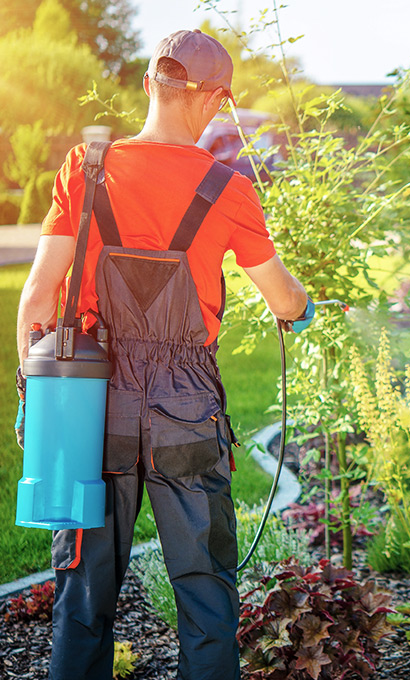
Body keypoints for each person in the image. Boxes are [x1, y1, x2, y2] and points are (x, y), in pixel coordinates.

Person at [15, 29, 311, 680]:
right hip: (187, 409)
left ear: (149, 85)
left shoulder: (85, 169)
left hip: (94, 408)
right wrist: (303, 307)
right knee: (206, 597)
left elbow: (37, 299)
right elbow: (283, 299)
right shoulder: (228, 187)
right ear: (215, 101)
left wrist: (36, 400)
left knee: (84, 597)